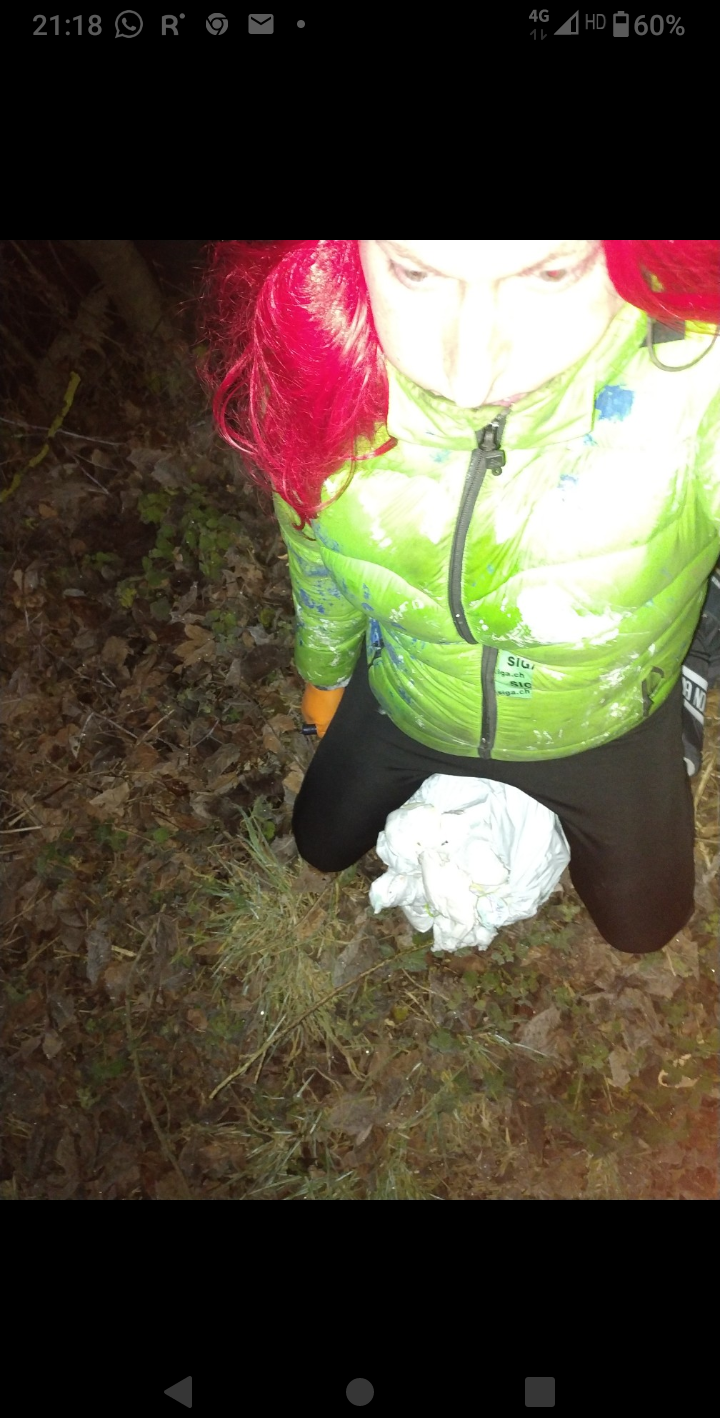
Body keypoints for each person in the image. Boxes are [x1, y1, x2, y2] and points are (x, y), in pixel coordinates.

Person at [203, 240, 720, 955]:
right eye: (416, 272)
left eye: (549, 273)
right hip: (411, 698)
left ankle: (688, 672)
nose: (471, 373)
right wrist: (325, 675)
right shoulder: (320, 359)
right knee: (319, 845)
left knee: (646, 931)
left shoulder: (699, 384)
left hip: (602, 718)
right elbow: (315, 557)